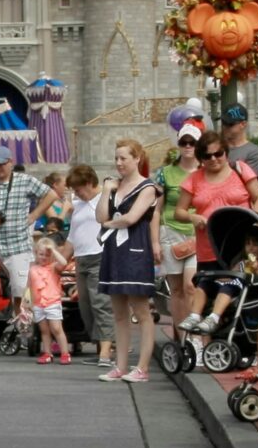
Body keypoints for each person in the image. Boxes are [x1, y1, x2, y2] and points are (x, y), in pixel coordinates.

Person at [174, 134, 258, 332]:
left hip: (240, 245)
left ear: (226, 152)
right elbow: (179, 212)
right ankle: (203, 340)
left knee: (235, 290)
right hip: (209, 246)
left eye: (219, 153)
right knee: (205, 288)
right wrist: (193, 218)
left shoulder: (240, 170)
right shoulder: (194, 178)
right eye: (207, 156)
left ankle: (234, 335)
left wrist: (252, 220)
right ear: (201, 158)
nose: (214, 159)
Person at [96, 139, 159, 382]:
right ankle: (120, 365)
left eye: (124, 158)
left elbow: (131, 218)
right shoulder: (114, 186)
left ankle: (142, 367)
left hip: (136, 248)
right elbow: (100, 214)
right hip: (113, 250)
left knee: (141, 310)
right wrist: (106, 191)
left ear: (137, 159)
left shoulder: (148, 188)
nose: (119, 163)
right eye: (116, 158)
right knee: (119, 312)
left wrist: (108, 224)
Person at [0, 146, 57, 320]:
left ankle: (24, 325)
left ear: (10, 163)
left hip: (17, 245)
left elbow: (51, 195)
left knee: (21, 289)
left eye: (1, 164)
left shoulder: (25, 180)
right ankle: (1, 326)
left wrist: (34, 215)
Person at [155, 124, 203, 337]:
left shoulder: (204, 171)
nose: (187, 146)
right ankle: (180, 336)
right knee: (175, 289)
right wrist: (155, 241)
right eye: (183, 142)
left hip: (196, 233)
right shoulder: (165, 173)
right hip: (171, 231)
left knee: (190, 285)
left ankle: (193, 336)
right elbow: (156, 209)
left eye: (192, 142)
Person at [65, 164, 114, 367]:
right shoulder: (79, 205)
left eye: (78, 189)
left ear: (88, 183)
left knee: (101, 303)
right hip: (81, 257)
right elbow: (72, 236)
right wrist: (60, 259)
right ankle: (99, 345)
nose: (77, 193)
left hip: (100, 255)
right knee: (86, 306)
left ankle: (105, 350)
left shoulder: (103, 199)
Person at [27, 236, 71, 365]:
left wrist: (54, 250)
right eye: (41, 254)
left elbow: (64, 262)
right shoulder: (33, 269)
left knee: (56, 328)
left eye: (47, 255)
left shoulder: (54, 267)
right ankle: (47, 352)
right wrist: (26, 302)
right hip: (38, 303)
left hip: (52, 302)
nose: (43, 257)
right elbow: (29, 285)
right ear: (36, 253)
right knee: (44, 330)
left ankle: (65, 353)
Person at [221, 105, 258, 176]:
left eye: (229, 124)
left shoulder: (255, 152)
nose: (225, 127)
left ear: (243, 124)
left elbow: (246, 180)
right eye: (223, 123)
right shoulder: (217, 147)